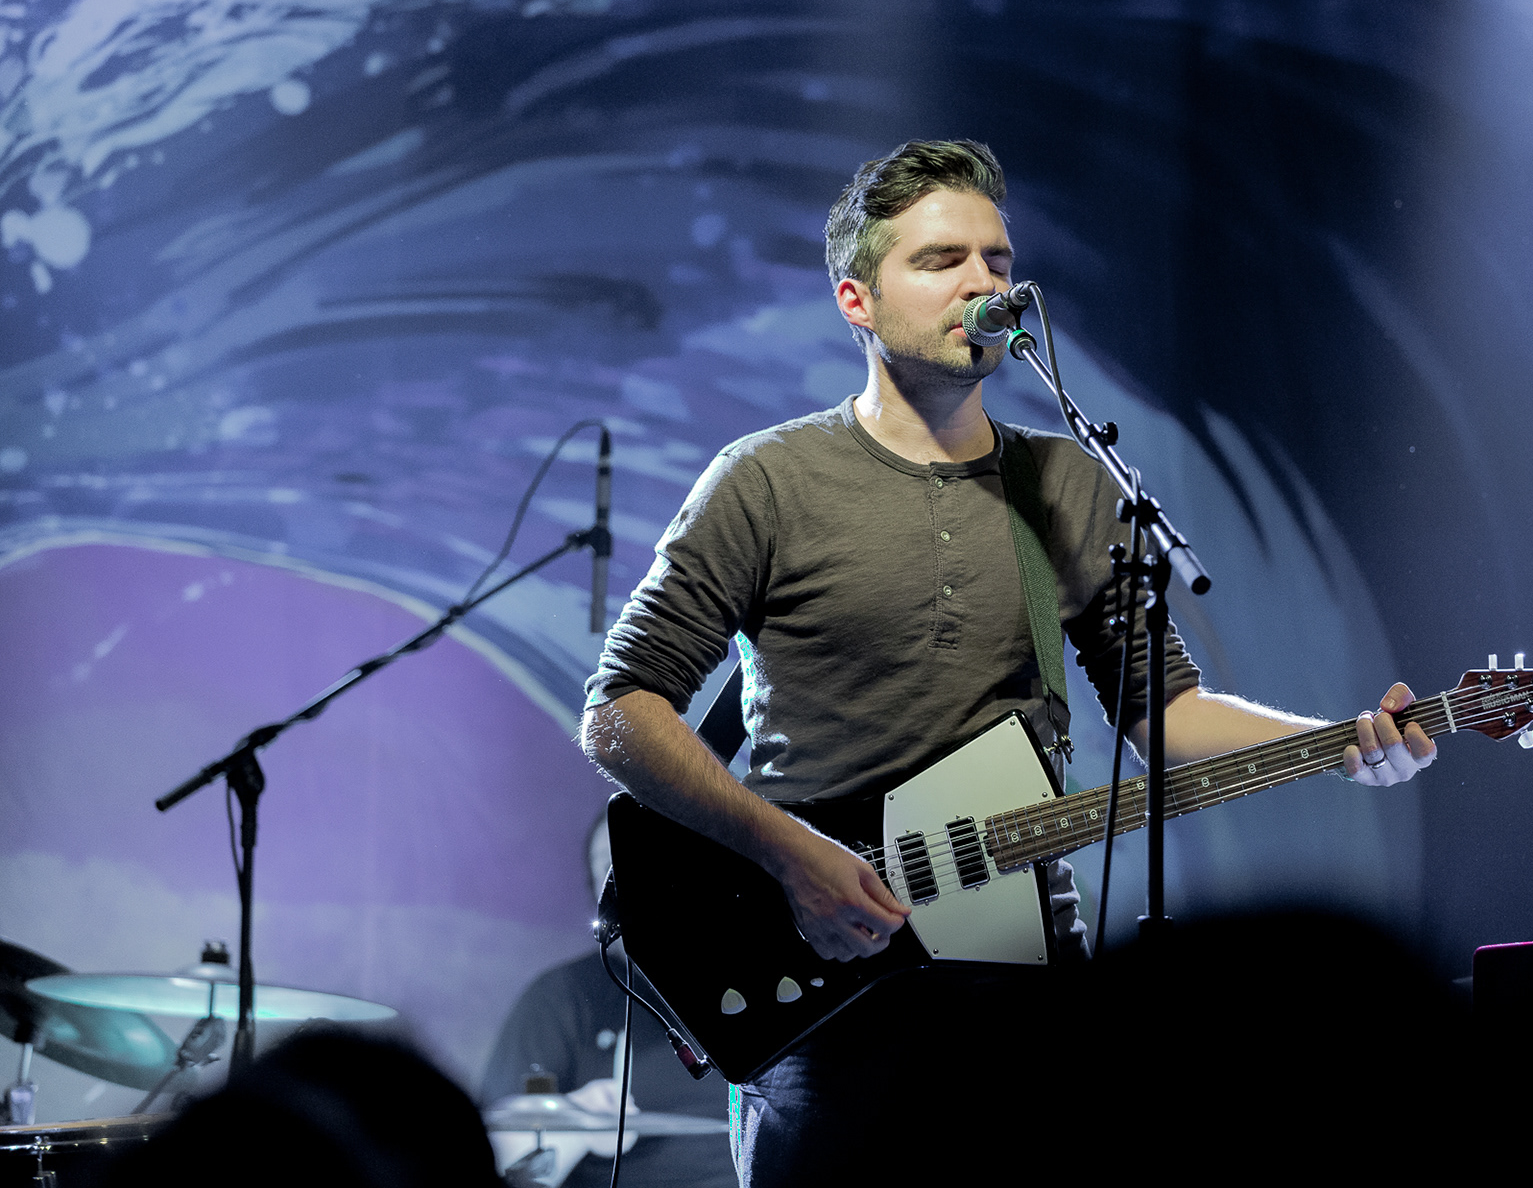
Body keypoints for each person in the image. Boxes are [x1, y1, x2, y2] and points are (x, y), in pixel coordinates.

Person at [580, 139, 1437, 1180]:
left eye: (996, 258)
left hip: (1024, 973)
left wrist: (1340, 741)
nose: (983, 282)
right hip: (827, 983)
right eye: (941, 260)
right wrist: (793, 857)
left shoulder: (1067, 483)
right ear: (857, 300)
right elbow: (620, 711)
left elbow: (1165, 714)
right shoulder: (766, 481)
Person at [480, 812, 734, 1188]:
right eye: (609, 869)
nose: (630, 878)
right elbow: (491, 1154)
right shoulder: (561, 997)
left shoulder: (749, 983)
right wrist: (576, 1116)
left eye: (643, 858)